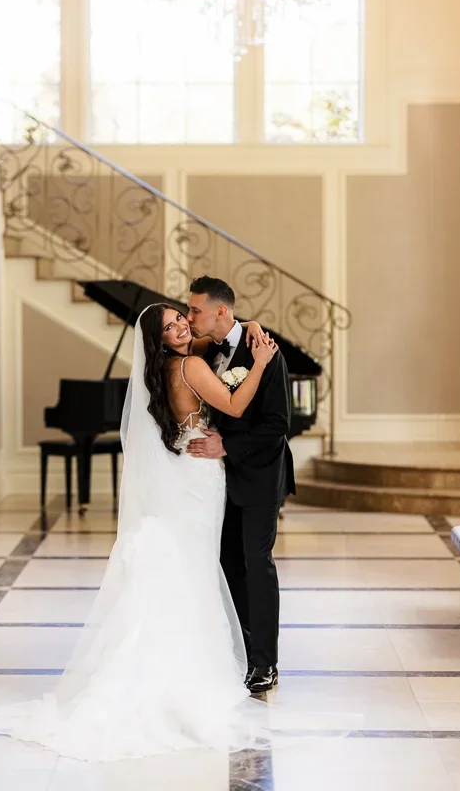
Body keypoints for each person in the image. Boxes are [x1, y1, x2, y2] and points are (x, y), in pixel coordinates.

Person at [0, 303, 282, 762]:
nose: (183, 326)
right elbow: (233, 404)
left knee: (188, 569)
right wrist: (260, 363)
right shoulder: (191, 364)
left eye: (183, 319)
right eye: (173, 324)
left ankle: (166, 669)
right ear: (162, 337)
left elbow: (208, 337)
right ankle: (188, 677)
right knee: (194, 571)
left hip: (184, 474)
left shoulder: (165, 368)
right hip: (200, 478)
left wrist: (247, 324)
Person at [186, 276, 295, 694]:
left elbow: (277, 424)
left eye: (196, 310)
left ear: (221, 311)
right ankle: (244, 651)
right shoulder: (203, 349)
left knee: (258, 564)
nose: (190, 316)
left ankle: (266, 664)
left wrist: (226, 447)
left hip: (260, 477)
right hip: (218, 482)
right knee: (230, 565)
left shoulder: (263, 351)